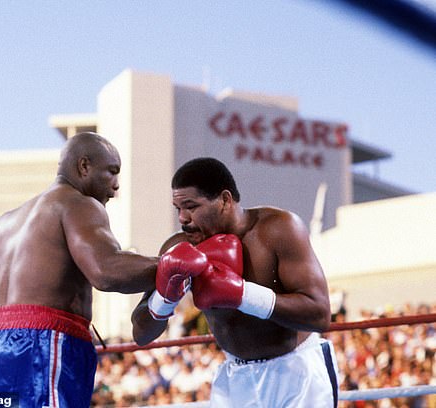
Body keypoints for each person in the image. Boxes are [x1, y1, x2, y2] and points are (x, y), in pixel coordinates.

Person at [0, 132, 204, 407]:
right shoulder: (79, 204)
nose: (115, 187)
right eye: (112, 172)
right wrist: (173, 265)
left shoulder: (8, 221)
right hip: (43, 347)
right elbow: (105, 271)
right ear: (84, 166)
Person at [131, 157, 339, 408]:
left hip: (296, 372)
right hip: (235, 377)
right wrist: (164, 299)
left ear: (225, 200)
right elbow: (141, 334)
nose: (183, 218)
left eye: (191, 206)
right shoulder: (179, 249)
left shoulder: (277, 229)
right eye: (178, 208)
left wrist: (242, 295)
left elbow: (319, 315)